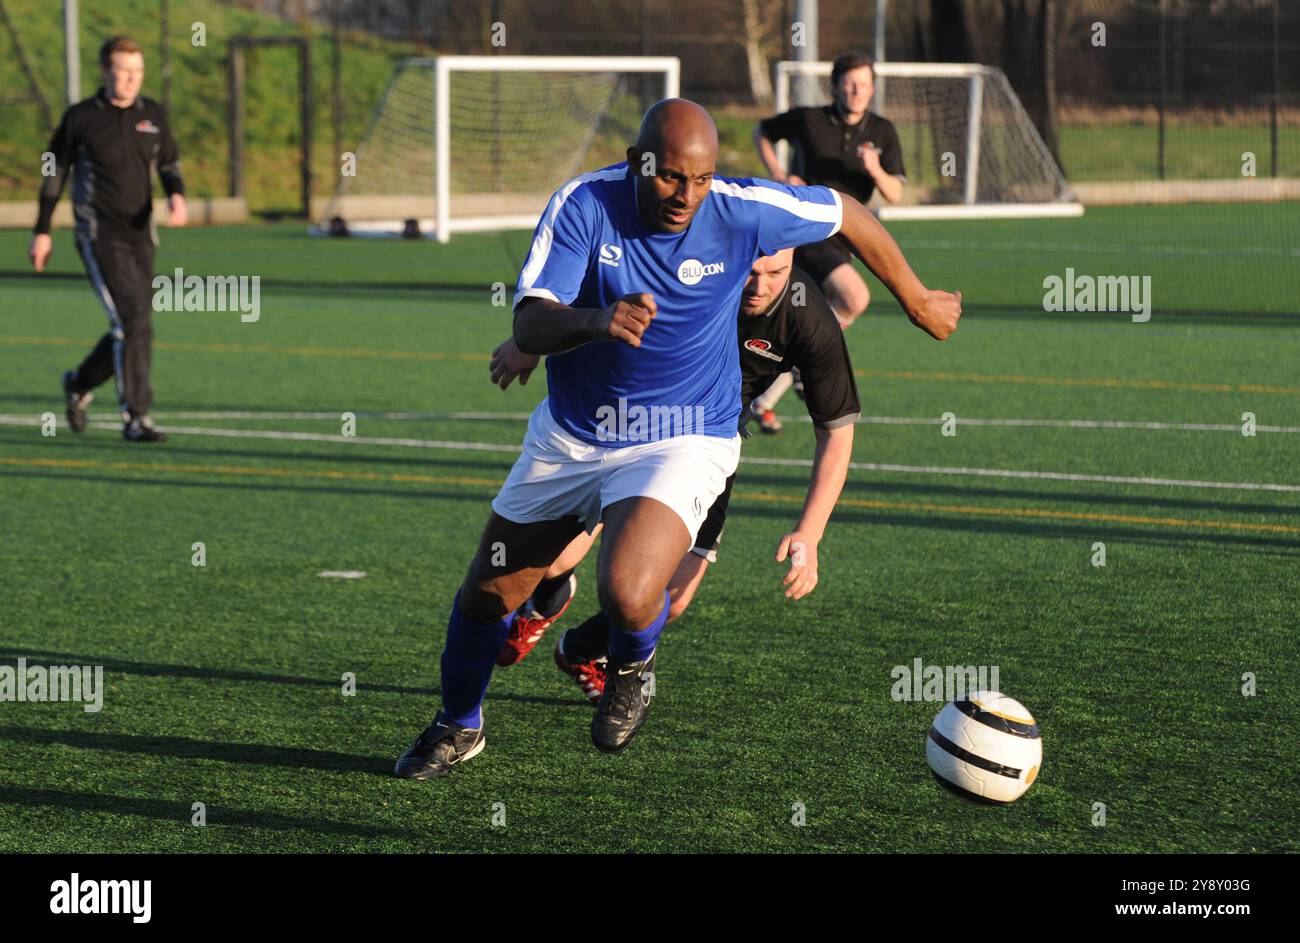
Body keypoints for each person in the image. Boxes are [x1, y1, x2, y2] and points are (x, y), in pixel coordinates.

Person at [393, 99, 959, 781]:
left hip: (684, 434)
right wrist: (598, 319)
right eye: (668, 179)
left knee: (629, 587)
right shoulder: (584, 205)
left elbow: (846, 210)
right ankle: (459, 725)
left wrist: (915, 296)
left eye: (700, 179)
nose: (685, 196)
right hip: (576, 432)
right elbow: (530, 321)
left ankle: (628, 663)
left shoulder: (740, 206)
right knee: (487, 595)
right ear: (638, 162)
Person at [488, 247, 861, 702]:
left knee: (672, 594)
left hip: (703, 445)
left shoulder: (808, 318)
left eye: (777, 273)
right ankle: (545, 600)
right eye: (751, 271)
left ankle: (582, 650)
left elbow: (836, 432)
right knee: (557, 558)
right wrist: (529, 343)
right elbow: (599, 301)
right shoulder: (684, 273)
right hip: (624, 421)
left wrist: (810, 531)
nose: (760, 287)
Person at [29, 35, 187, 443]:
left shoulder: (152, 114)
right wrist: (42, 231)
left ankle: (79, 383)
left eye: (138, 72)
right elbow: (54, 172)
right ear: (105, 71)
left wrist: (177, 196)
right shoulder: (81, 118)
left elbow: (169, 163)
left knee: (135, 325)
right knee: (131, 321)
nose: (131, 79)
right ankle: (136, 417)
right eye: (123, 71)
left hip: (141, 235)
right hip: (100, 236)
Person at [751, 50, 905, 429]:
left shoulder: (882, 131)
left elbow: (895, 193)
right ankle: (797, 367)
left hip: (849, 236)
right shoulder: (809, 119)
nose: (856, 91)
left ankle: (763, 396)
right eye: (850, 84)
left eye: (864, 85)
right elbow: (763, 131)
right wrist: (780, 174)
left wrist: (875, 169)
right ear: (836, 86)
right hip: (806, 227)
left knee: (803, 319)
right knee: (855, 298)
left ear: (872, 89)